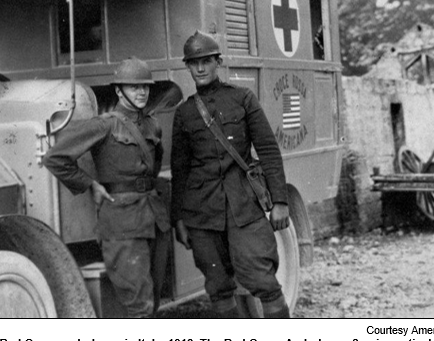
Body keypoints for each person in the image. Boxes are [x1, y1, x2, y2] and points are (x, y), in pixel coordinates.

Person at [171, 31, 291, 319]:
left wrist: (280, 201)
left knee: (262, 278)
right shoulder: (184, 112)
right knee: (218, 286)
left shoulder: (242, 99)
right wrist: (179, 218)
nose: (200, 69)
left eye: (206, 61)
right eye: (193, 63)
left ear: (218, 62)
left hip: (244, 206)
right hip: (202, 213)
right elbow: (180, 170)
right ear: (187, 67)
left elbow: (268, 151)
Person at [43, 57, 170, 318]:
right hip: (122, 221)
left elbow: (154, 165)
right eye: (134, 87)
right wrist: (89, 184)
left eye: (145, 87)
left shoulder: (151, 125)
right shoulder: (104, 125)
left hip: (154, 218)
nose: (142, 92)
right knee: (138, 305)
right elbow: (55, 158)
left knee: (153, 299)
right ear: (118, 91)